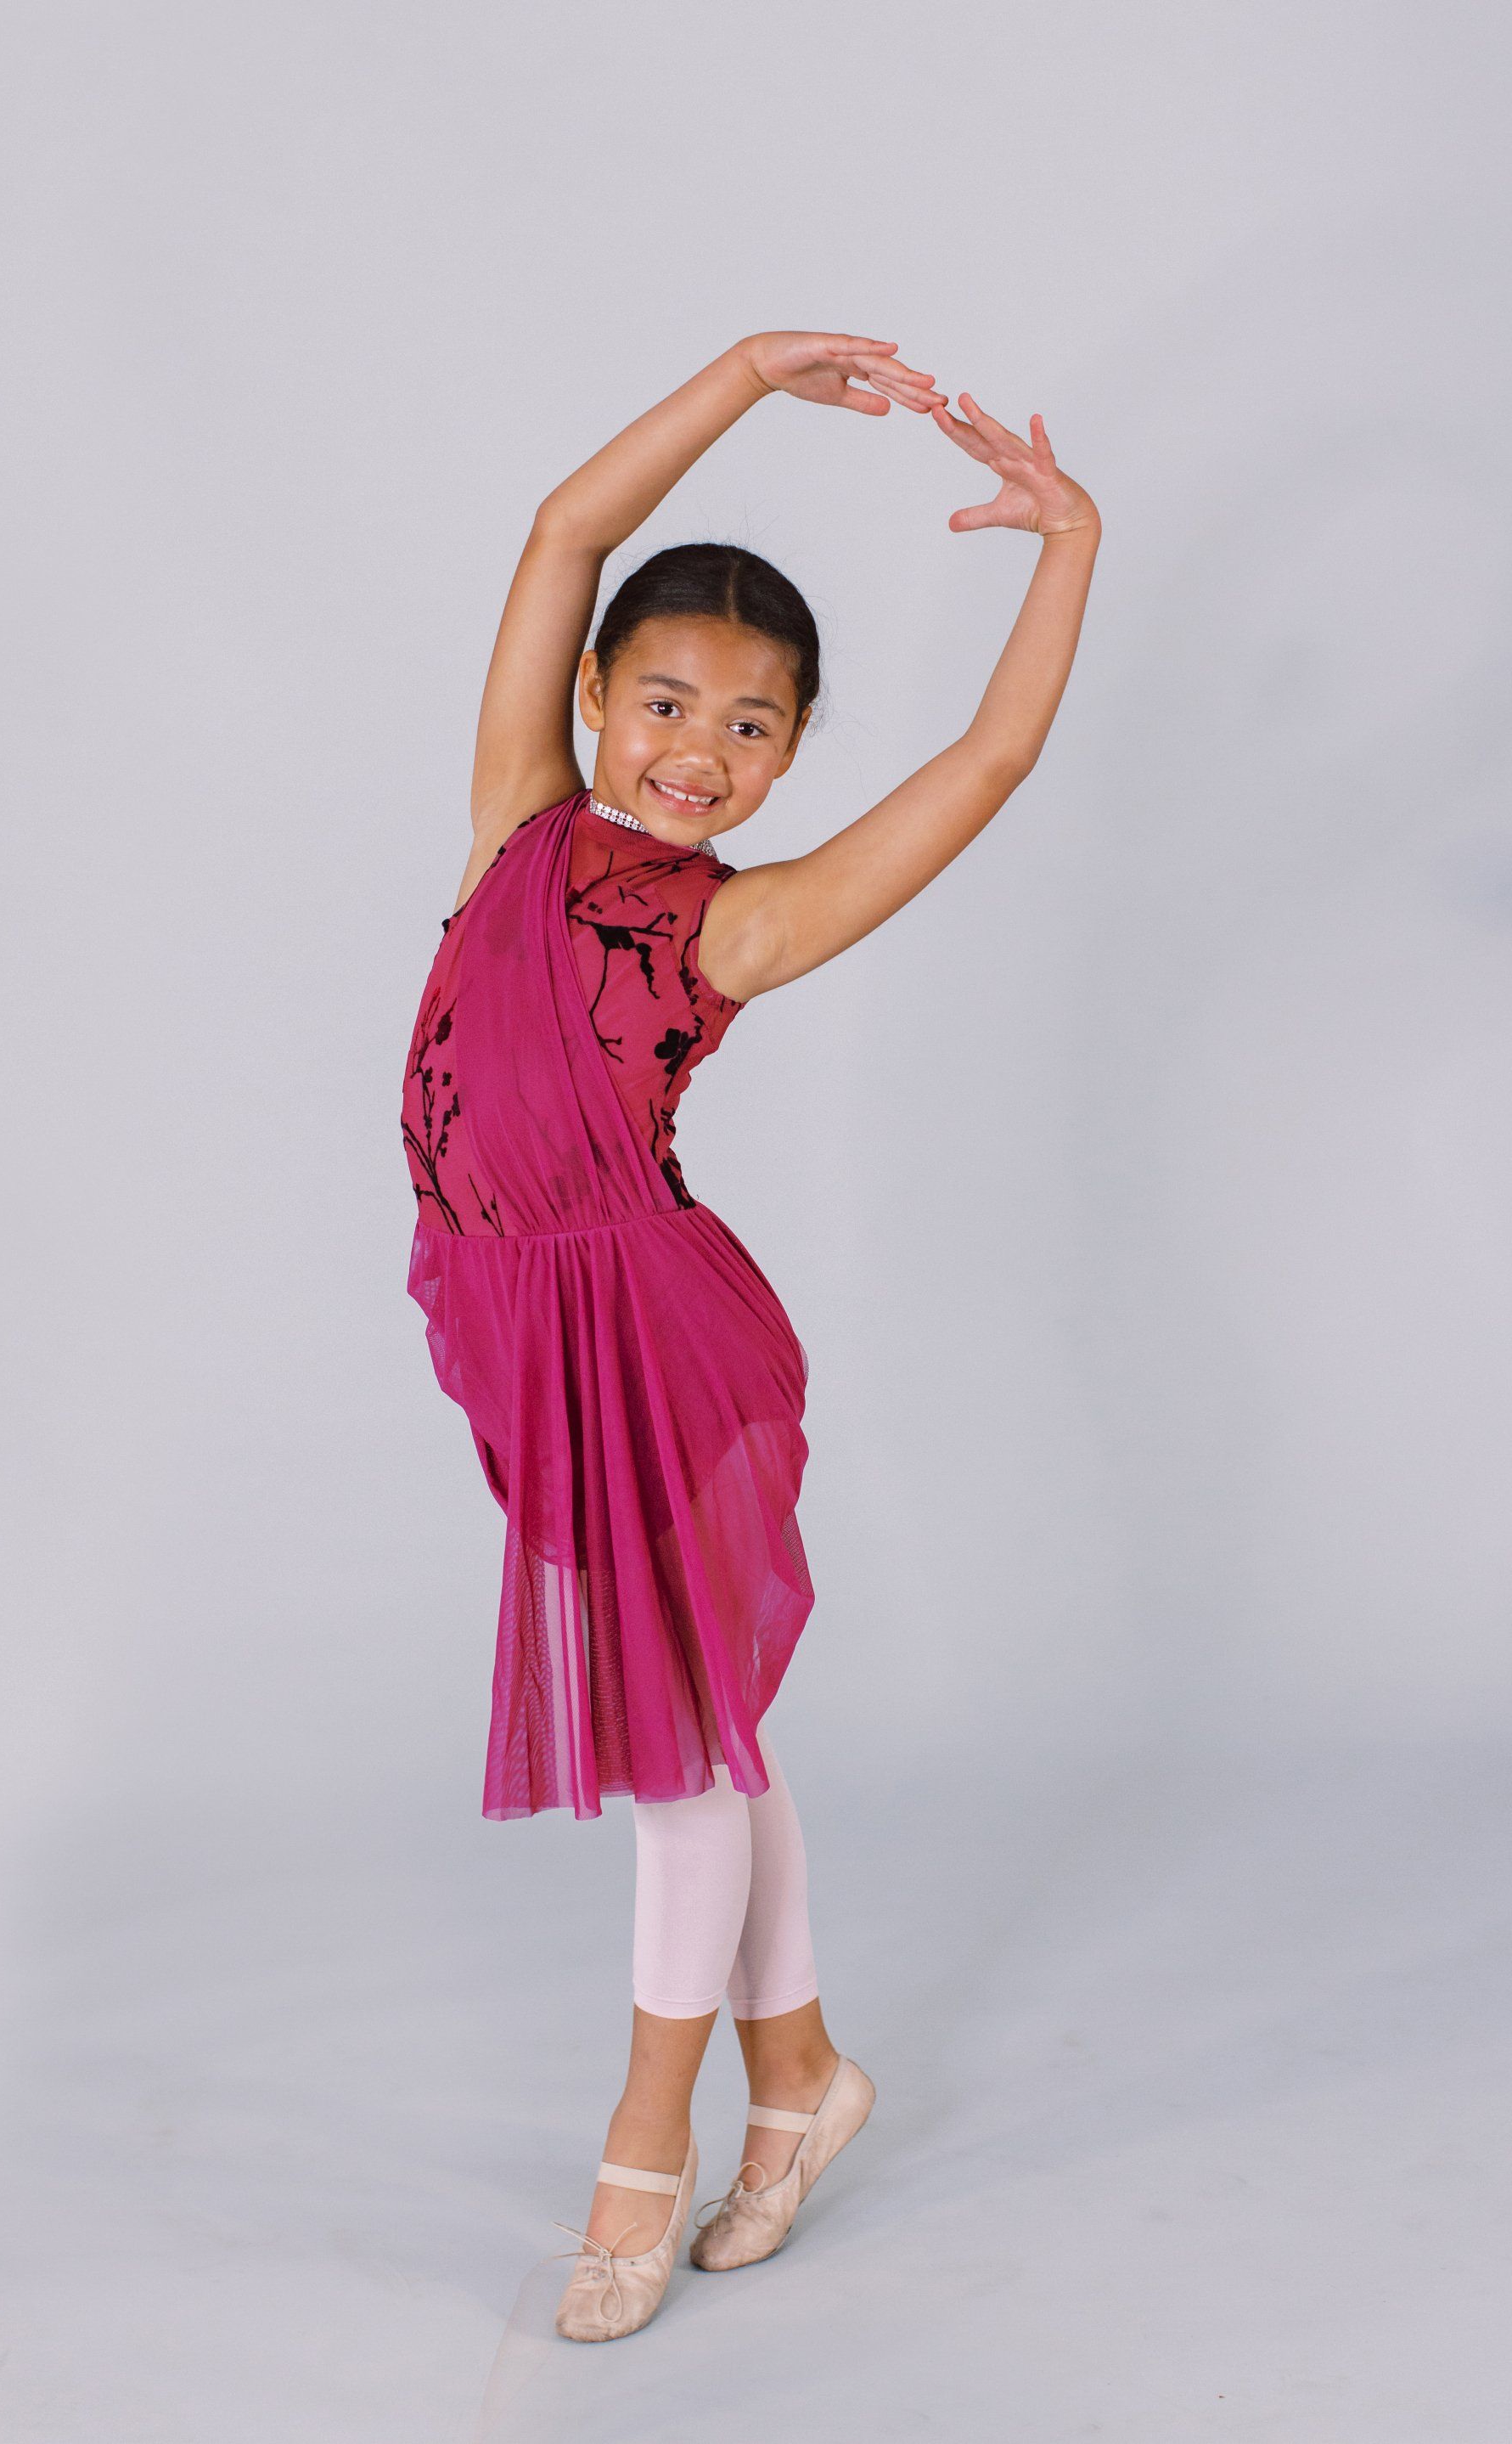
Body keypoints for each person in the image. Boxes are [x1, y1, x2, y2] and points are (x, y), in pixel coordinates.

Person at [399, 330, 1100, 2342]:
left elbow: (986, 767)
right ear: (596, 699)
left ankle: (650, 2134)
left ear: (792, 756)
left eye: (757, 727)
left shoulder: (734, 924)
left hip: (657, 1337)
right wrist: (744, 372)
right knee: (700, 1713)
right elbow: (566, 527)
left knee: (677, 1743)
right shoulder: (515, 815)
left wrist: (1066, 545)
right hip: (512, 1321)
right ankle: (804, 2077)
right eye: (668, 701)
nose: (700, 751)